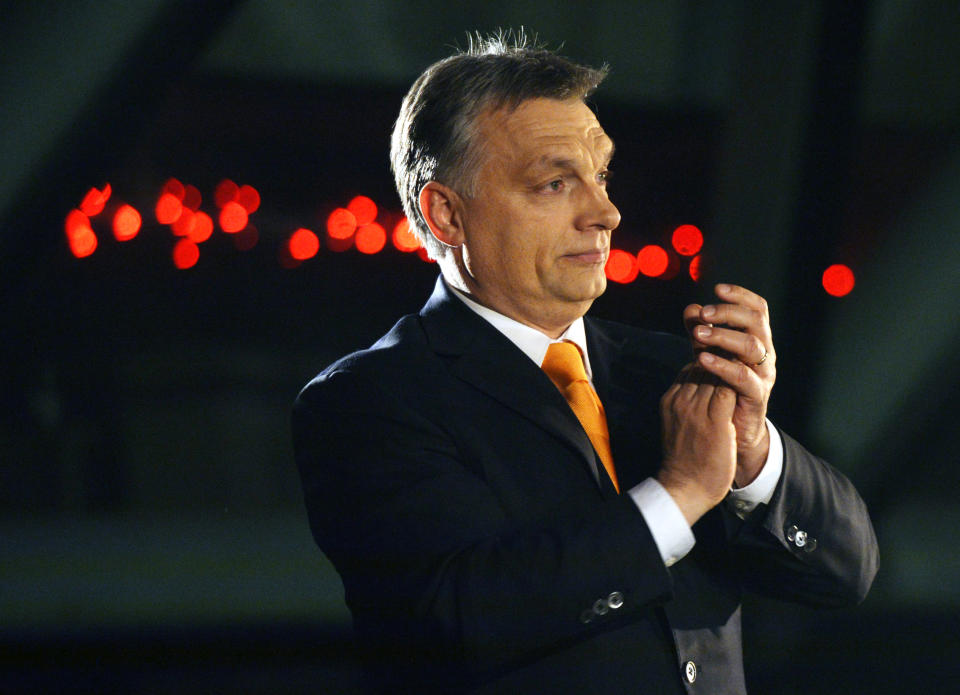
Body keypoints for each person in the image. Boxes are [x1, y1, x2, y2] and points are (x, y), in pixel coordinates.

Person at [292, 32, 878, 694]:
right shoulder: (369, 400)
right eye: (554, 182)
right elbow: (456, 620)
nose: (605, 212)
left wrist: (754, 456)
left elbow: (845, 570)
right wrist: (677, 494)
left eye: (599, 175)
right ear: (447, 214)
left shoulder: (670, 369)